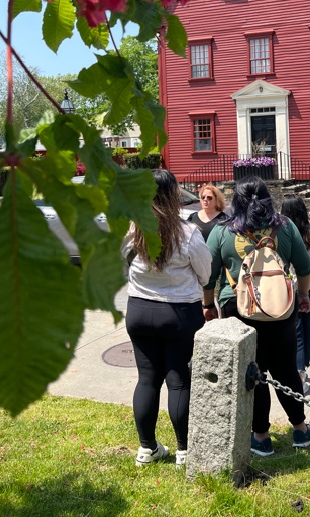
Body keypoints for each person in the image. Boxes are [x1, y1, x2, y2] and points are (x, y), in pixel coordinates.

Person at [204, 176, 310, 457]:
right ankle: (300, 429)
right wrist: (302, 296)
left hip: (238, 308)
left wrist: (207, 305)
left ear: (236, 200)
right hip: (280, 308)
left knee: (253, 374)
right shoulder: (285, 226)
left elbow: (209, 275)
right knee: (287, 370)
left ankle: (261, 436)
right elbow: (303, 267)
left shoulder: (223, 231)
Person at [121, 169, 212, 468]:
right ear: (173, 195)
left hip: (139, 309)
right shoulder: (188, 233)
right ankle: (184, 451)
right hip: (178, 314)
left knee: (147, 379)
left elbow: (124, 261)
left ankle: (147, 448)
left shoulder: (134, 229)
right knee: (178, 382)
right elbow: (205, 273)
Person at [280, 194, 310, 393]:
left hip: (287, 286)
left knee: (295, 330)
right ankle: (302, 367)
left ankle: (298, 369)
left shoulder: (281, 232)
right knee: (308, 328)